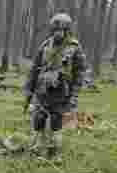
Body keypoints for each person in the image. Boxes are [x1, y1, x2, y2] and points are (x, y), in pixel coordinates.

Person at [23, 12, 87, 158]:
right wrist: (29, 90)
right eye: (57, 29)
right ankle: (37, 149)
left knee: (56, 122)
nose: (59, 33)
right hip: (42, 90)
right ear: (52, 30)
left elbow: (80, 74)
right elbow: (34, 69)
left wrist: (74, 97)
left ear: (67, 31)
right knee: (38, 119)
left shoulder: (74, 48)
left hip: (61, 92)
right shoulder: (45, 46)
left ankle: (54, 152)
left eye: (63, 30)